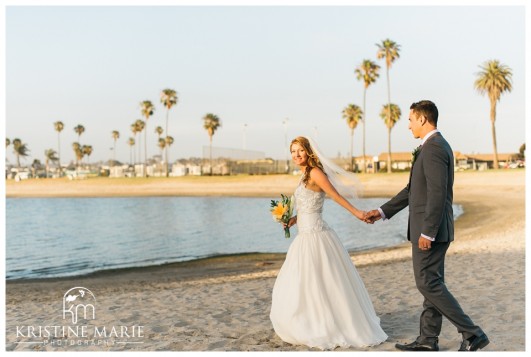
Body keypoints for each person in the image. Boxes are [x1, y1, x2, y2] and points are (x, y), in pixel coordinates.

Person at [364, 100, 489, 352]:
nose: (408, 125)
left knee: (427, 283)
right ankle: (428, 339)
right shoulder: (432, 146)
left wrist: (427, 232)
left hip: (431, 230)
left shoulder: (434, 148)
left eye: (410, 120)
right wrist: (382, 211)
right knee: (432, 283)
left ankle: (472, 333)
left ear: (422, 119)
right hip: (432, 228)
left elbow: (437, 193)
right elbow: (413, 190)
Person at [269, 136, 387, 350]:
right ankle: (308, 320)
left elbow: (336, 196)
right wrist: (292, 219)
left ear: (309, 152)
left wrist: (357, 213)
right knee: (301, 283)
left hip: (316, 237)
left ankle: (326, 324)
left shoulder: (315, 173)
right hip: (303, 235)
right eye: (293, 151)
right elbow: (307, 206)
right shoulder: (304, 174)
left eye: (300, 151)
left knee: (322, 283)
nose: (296, 155)